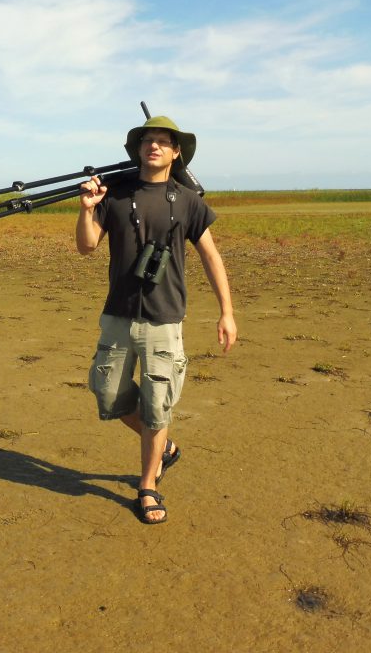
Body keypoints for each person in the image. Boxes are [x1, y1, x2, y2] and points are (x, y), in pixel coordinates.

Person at [76, 114, 237, 524]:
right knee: (108, 394)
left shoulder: (187, 201)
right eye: (149, 140)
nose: (155, 146)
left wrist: (227, 312)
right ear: (138, 149)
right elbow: (87, 246)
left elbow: (211, 256)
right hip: (117, 314)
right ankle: (164, 447)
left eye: (164, 141)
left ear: (176, 151)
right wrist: (86, 208)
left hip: (164, 320)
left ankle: (147, 486)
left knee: (157, 406)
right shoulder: (115, 195)